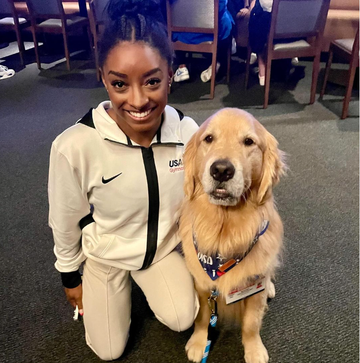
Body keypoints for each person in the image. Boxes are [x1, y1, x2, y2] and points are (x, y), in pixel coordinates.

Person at [48, 0, 199, 360]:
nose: (138, 100)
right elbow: (65, 219)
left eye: (152, 81)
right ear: (103, 77)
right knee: (109, 351)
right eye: (119, 83)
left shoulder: (187, 133)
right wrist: (70, 276)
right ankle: (110, 288)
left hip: (161, 250)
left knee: (184, 317)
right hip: (107, 256)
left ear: (171, 74)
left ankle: (146, 285)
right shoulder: (74, 146)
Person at [172, 0, 234, 83]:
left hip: (183, 34)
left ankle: (182, 66)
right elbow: (221, 8)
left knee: (173, 25)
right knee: (226, 23)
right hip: (211, 35)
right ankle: (216, 62)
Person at [248, 0, 298, 86]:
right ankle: (292, 54)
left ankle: (261, 64)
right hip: (298, 30)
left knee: (260, 16)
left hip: (271, 26)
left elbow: (267, 5)